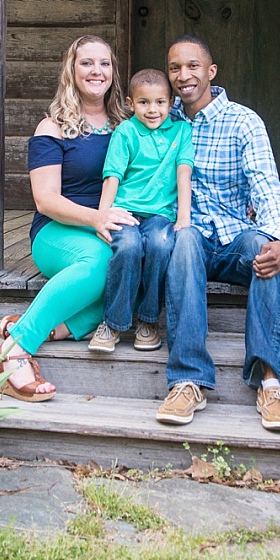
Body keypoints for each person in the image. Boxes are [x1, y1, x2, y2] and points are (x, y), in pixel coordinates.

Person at [155, 35, 280, 431]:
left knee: (263, 246)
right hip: (191, 242)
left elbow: (266, 184)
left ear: (211, 71)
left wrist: (279, 238)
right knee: (183, 238)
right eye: (174, 68)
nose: (183, 76)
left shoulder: (243, 121)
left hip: (236, 239)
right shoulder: (163, 123)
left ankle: (270, 382)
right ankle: (188, 380)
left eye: (192, 66)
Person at [0, 35, 138, 401]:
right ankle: (14, 350)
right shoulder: (52, 128)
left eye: (104, 63)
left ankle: (46, 327)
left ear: (113, 72)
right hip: (58, 232)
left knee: (134, 271)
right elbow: (45, 200)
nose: (96, 71)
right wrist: (97, 218)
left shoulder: (129, 123)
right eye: (86, 62)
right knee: (101, 262)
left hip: (106, 227)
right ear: (72, 71)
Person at [87, 68, 194, 354]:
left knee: (160, 245)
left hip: (161, 215)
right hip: (125, 211)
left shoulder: (182, 131)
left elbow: (184, 172)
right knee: (130, 246)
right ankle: (113, 322)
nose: (152, 109)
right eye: (144, 102)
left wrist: (184, 217)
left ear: (171, 103)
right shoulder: (125, 132)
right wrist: (102, 216)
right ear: (130, 103)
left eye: (160, 102)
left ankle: (148, 320)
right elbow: (113, 176)